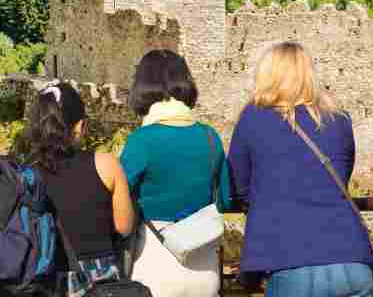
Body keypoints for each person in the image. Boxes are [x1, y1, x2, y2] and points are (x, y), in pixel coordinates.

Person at [227, 42, 373, 297]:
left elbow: (238, 185)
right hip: (353, 258)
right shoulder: (338, 119)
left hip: (292, 261)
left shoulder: (253, 117)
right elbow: (341, 177)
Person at [121, 50, 232, 297]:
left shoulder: (142, 141)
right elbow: (225, 199)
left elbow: (118, 203)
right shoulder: (209, 137)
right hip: (205, 269)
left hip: (154, 265)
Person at [29, 81, 136, 297]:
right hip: (97, 279)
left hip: (43, 278)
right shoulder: (106, 164)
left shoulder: (23, 172)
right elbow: (124, 226)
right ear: (80, 126)